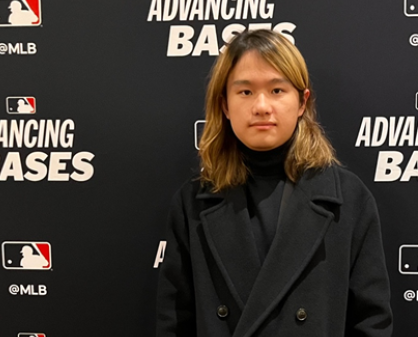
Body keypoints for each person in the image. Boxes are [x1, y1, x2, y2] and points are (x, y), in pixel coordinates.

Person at [157, 29, 392, 336]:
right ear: (225, 105)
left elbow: (371, 322)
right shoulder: (192, 203)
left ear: (302, 102)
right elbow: (174, 322)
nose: (262, 106)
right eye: (245, 92)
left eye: (277, 90)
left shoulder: (349, 200)